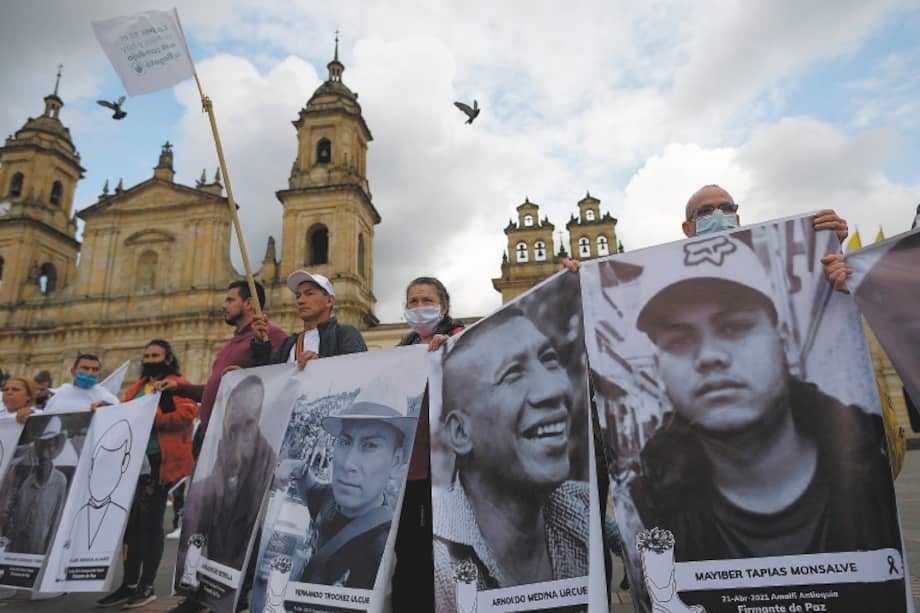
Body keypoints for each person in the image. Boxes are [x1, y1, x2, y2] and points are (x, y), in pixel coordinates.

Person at [628, 234, 901, 566]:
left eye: (734, 328)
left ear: (783, 341)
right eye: (678, 341)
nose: (709, 356)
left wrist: (849, 297)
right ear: (658, 367)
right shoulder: (646, 504)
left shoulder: (866, 455)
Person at [433, 308, 590, 610]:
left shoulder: (584, 513)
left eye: (549, 360)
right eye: (512, 373)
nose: (554, 389)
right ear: (461, 432)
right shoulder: (438, 560)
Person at [97, 340, 196, 609]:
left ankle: (147, 585)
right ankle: (128, 584)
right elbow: (125, 416)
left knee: (150, 525)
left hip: (160, 464)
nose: (150, 359)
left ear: (168, 359)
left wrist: (152, 419)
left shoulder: (177, 384)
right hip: (134, 465)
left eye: (155, 355)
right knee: (131, 527)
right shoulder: (137, 388)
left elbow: (186, 415)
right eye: (147, 355)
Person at [393, 277, 464, 611]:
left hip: (448, 472)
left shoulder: (460, 337)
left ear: (443, 307)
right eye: (413, 301)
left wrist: (451, 351)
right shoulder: (404, 348)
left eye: (426, 300)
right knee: (409, 552)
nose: (419, 307)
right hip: (410, 471)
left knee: (444, 554)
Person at [155, 280, 286, 458]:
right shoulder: (230, 345)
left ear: (249, 303)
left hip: (239, 441)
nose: (223, 306)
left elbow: (277, 381)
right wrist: (178, 388)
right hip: (210, 437)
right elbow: (216, 391)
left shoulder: (271, 335)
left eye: (230, 300)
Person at [289, 402, 413, 589]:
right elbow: (311, 487)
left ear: (395, 462)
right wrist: (296, 469)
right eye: (345, 441)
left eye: (370, 445)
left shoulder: (382, 551)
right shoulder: (329, 500)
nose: (347, 463)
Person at [178, 375, 277, 572]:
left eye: (249, 419)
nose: (242, 416)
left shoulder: (264, 453)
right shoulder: (205, 481)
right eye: (237, 407)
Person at [251, 270, 366, 367]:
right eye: (298, 296)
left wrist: (320, 365)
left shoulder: (345, 334)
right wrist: (260, 344)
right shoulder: (288, 344)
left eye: (309, 294)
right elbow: (267, 377)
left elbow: (359, 372)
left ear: (329, 300)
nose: (300, 301)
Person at [3, 416, 68, 554]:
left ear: (55, 447)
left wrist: (50, 552)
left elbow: (56, 521)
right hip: (16, 548)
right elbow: (14, 514)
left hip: (39, 548)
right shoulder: (27, 482)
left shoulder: (60, 481)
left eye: (50, 444)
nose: (47, 450)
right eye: (43, 444)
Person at [44, 354, 119, 413]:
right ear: (73, 372)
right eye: (85, 368)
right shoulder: (58, 396)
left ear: (99, 373)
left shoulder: (106, 397)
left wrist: (107, 408)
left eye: (95, 369)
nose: (90, 372)